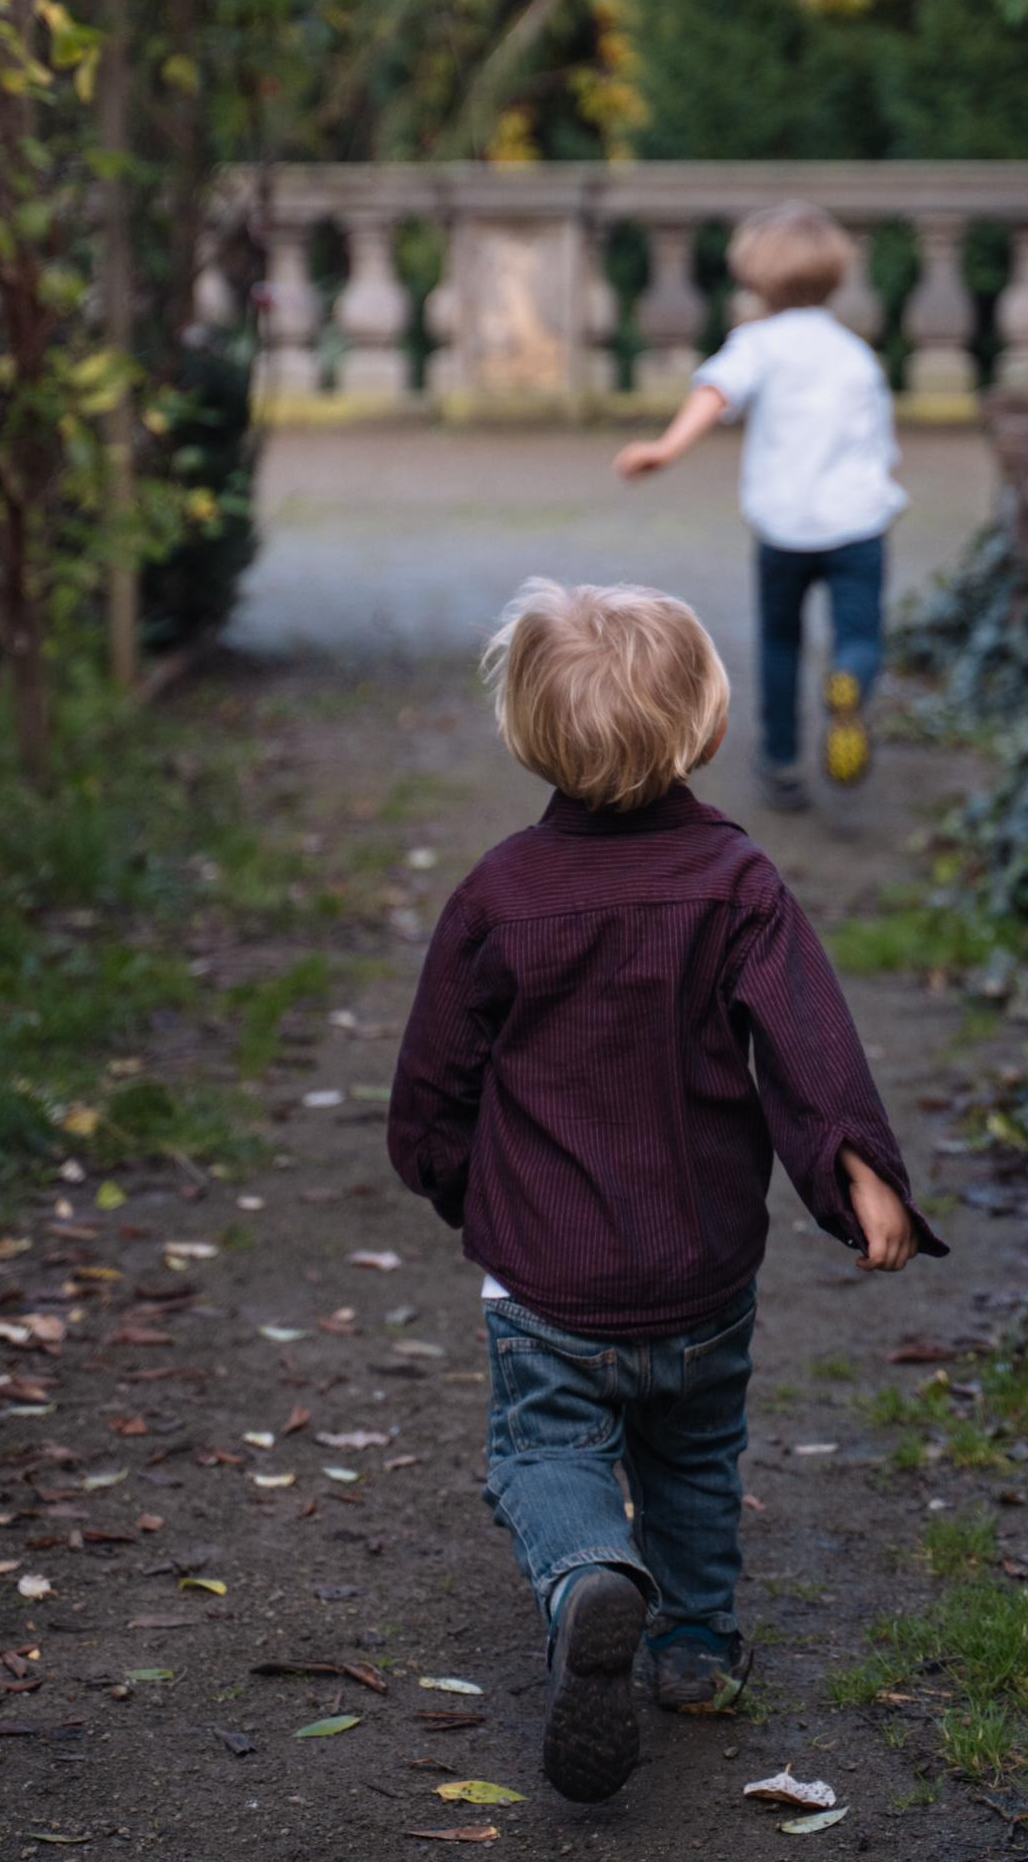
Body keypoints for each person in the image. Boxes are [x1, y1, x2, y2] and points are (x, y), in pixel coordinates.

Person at [386, 578, 943, 1805]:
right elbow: (804, 1040)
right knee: (693, 1456)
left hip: (547, 1278)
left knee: (546, 1450)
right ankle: (692, 1647)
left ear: (524, 733)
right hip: (699, 1265)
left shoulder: (499, 896)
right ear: (709, 727)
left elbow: (434, 1080)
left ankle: (590, 1576)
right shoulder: (737, 881)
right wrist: (857, 1171)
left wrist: (455, 1183)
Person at [615, 200, 904, 810]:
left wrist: (666, 448)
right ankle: (850, 679)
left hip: (784, 528)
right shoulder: (854, 354)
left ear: (755, 278)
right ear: (834, 276)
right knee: (859, 632)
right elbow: (879, 442)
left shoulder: (757, 345)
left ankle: (780, 761)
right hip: (858, 525)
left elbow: (715, 392)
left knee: (780, 641)